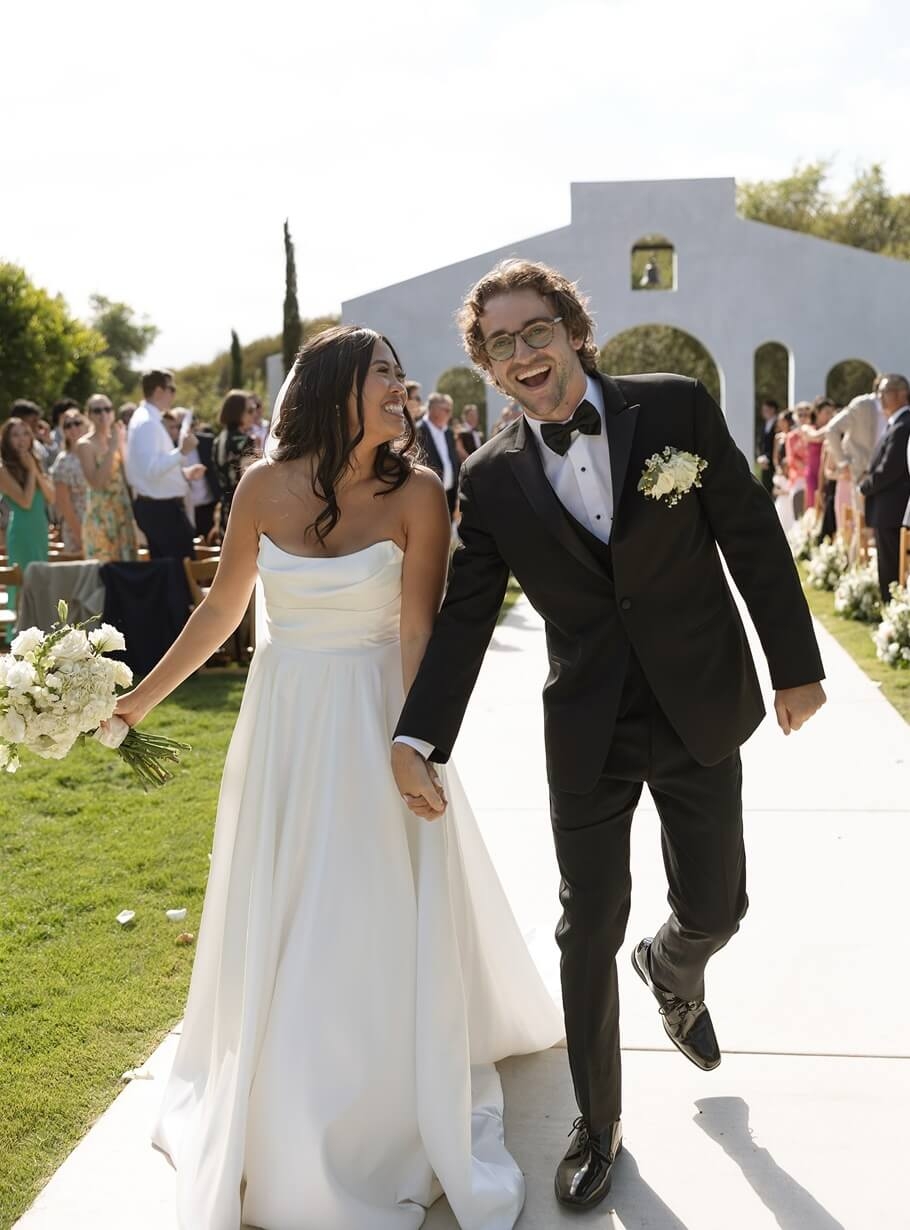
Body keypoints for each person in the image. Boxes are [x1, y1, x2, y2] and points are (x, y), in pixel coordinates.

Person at [391, 259, 826, 1212]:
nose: (522, 352)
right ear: (488, 367)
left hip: (698, 700)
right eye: (499, 344)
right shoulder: (490, 478)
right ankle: (598, 1122)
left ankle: (673, 963)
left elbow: (751, 533)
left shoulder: (673, 408)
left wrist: (794, 664)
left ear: (573, 331)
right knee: (587, 923)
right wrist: (419, 737)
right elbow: (465, 618)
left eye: (535, 330)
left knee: (718, 903)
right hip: (589, 725)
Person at [113, 324, 562, 1230]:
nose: (402, 388)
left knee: (363, 905)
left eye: (401, 375)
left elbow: (418, 630)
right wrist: (135, 703)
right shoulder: (260, 486)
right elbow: (222, 610)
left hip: (375, 720)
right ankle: (282, 1090)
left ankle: (364, 1097)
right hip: (284, 726)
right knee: (288, 906)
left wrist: (418, 745)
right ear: (334, 388)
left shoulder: (420, 492)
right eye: (384, 374)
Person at [125, 370, 204, 559]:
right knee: (180, 570)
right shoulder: (147, 422)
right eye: (172, 389)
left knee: (172, 570)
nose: (173, 394)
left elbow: (152, 469)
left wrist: (183, 474)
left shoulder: (147, 419)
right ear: (159, 391)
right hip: (161, 511)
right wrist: (182, 451)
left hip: (159, 509)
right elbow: (151, 470)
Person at [0, 417, 54, 638]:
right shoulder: (3, 469)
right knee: (23, 585)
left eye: (25, 434)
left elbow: (51, 496)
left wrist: (36, 470)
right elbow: (25, 501)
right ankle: (19, 636)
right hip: (21, 534)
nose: (21, 439)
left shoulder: (36, 462)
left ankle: (43, 634)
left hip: (40, 530)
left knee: (42, 582)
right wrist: (31, 471)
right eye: (15, 435)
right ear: (6, 440)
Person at [859, 373, 910, 601]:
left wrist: (863, 487)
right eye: (878, 392)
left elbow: (890, 469)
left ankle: (892, 609)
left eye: (884, 392)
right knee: (887, 565)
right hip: (886, 508)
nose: (879, 397)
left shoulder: (904, 425)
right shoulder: (895, 423)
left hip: (893, 509)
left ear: (902, 394)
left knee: (891, 568)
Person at [76, 394, 139, 562]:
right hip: (101, 516)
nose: (103, 414)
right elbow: (96, 483)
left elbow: (129, 476)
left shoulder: (117, 439)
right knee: (105, 570)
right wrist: (111, 450)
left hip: (122, 512)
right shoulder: (85, 444)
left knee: (128, 567)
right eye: (97, 410)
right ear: (89, 415)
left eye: (107, 409)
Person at [213, 388, 257, 532]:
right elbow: (249, 479)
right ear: (237, 412)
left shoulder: (218, 440)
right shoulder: (245, 441)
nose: (254, 414)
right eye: (250, 410)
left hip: (225, 510)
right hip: (243, 511)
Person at [50, 408, 89, 554]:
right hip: (77, 524)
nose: (73, 428)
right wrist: (80, 535)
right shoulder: (63, 461)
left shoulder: (96, 453)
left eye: (77, 423)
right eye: (67, 425)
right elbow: (63, 503)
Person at [416, 391, 460, 517]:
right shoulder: (417, 431)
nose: (450, 413)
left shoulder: (448, 433)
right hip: (427, 497)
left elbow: (453, 461)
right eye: (446, 410)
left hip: (449, 495)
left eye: (450, 410)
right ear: (432, 408)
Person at [755, 398, 779, 495]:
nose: (764, 412)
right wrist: (760, 457)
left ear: (773, 409)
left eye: (766, 410)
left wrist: (768, 458)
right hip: (764, 465)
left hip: (774, 464)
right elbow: (760, 443)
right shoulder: (764, 425)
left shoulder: (778, 423)